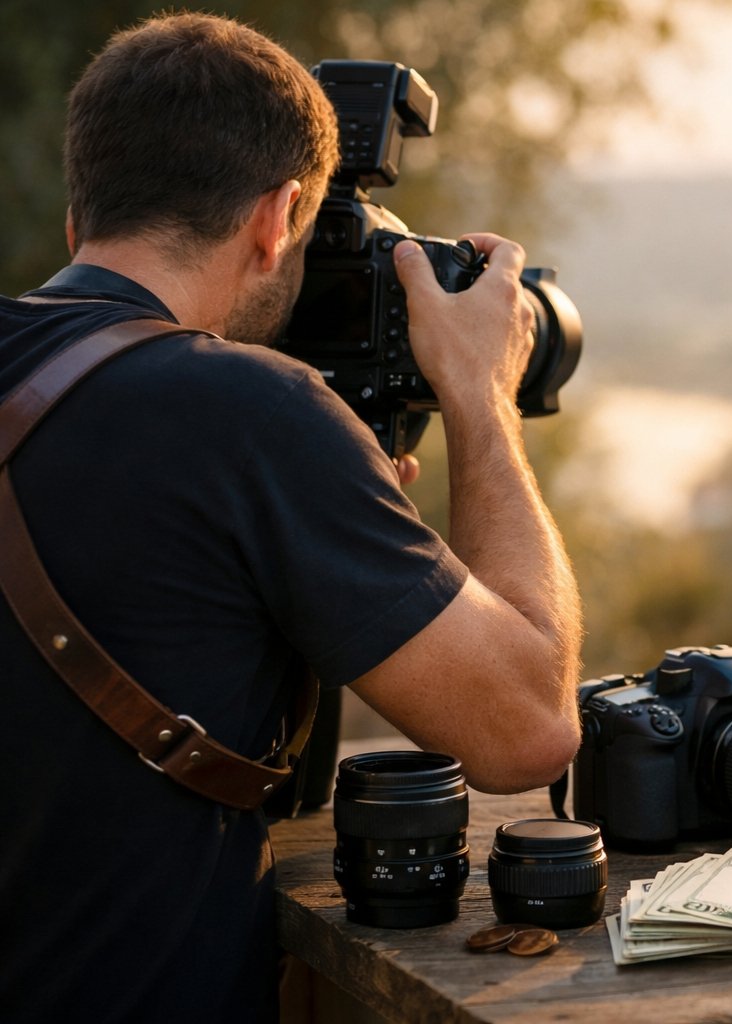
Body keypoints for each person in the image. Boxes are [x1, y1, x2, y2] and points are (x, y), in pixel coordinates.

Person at [0, 14, 583, 1021]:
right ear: (279, 218)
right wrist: (480, 395)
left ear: (77, 216)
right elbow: (526, 731)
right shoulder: (255, 414)